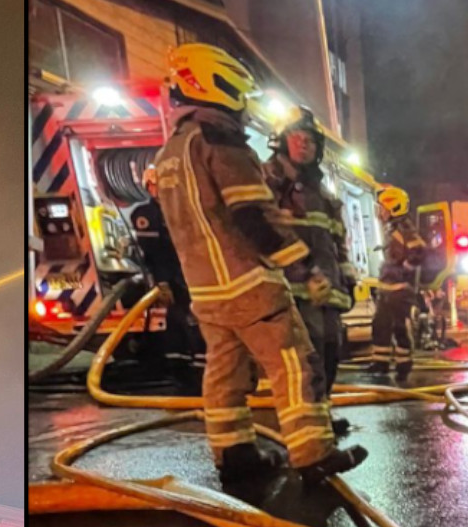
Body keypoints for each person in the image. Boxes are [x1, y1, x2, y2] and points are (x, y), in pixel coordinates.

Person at [152, 43, 367, 483]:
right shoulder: (221, 143)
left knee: (225, 372)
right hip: (247, 282)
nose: (243, 106)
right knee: (296, 363)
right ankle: (313, 454)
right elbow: (254, 216)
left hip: (206, 290)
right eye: (238, 92)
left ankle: (235, 454)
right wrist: (302, 269)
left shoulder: (169, 152)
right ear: (215, 85)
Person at [262, 106, 355, 438]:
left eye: (311, 141)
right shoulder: (270, 181)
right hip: (293, 290)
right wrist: (303, 273)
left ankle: (321, 413)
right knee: (305, 358)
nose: (304, 145)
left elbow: (336, 239)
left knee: (330, 351)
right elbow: (266, 234)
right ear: (282, 140)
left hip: (326, 290)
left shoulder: (321, 193)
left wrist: (347, 278)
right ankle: (306, 424)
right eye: (297, 138)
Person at [131, 166, 205, 388]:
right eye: (157, 185)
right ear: (150, 187)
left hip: (190, 272)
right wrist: (162, 282)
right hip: (170, 276)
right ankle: (181, 370)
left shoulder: (183, 208)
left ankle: (197, 367)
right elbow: (154, 252)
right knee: (178, 319)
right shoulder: (146, 214)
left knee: (194, 319)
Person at [368, 185, 427, 381]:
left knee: (400, 328)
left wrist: (406, 269)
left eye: (383, 208)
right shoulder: (392, 229)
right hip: (388, 290)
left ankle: (403, 365)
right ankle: (381, 363)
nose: (380, 212)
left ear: (394, 207)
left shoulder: (404, 228)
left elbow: (419, 249)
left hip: (400, 290)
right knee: (380, 325)